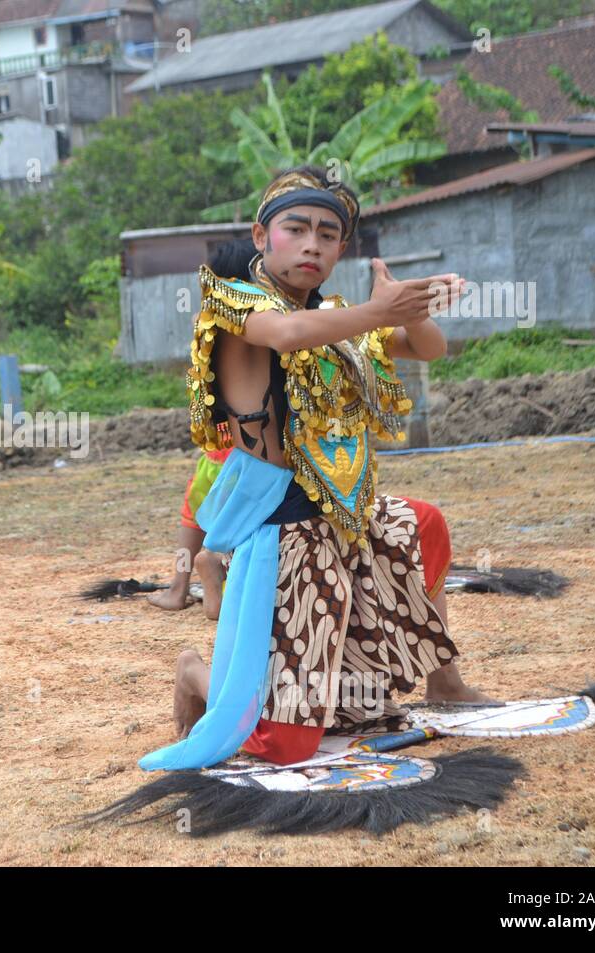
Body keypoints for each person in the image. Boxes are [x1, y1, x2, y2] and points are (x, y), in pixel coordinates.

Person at [148, 165, 495, 773]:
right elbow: (288, 334)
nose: (313, 244)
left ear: (340, 249)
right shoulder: (235, 307)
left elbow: (430, 348)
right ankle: (196, 676)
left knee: (422, 524)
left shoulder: (340, 318)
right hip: (287, 533)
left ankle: (446, 682)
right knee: (285, 746)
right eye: (297, 228)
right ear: (262, 236)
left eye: (329, 234)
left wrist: (408, 307)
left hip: (349, 520)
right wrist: (374, 311)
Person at [148, 239, 256, 616]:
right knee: (246, 519)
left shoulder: (205, 326)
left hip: (215, 447)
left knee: (191, 515)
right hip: (251, 448)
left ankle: (178, 588)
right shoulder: (260, 325)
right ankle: (215, 565)